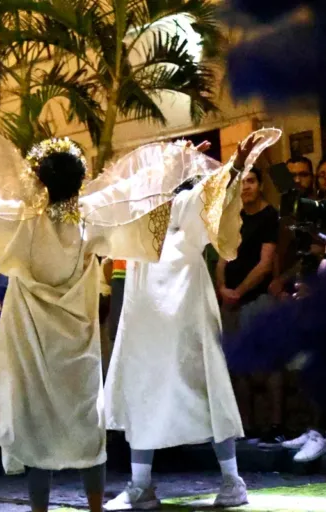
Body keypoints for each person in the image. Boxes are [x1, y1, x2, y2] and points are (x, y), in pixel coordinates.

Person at [0, 123, 223, 512]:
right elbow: (134, 193)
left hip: (34, 345)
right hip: (78, 348)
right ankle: (95, 506)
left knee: (36, 430)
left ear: (39, 183)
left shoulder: (21, 222)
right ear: (79, 183)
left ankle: (40, 509)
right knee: (85, 429)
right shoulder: (92, 217)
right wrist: (177, 160)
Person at [103, 132, 276, 511]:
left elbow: (211, 193)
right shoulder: (137, 217)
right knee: (144, 392)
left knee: (207, 389)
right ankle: (141, 486)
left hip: (186, 317)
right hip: (144, 322)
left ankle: (232, 481)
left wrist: (233, 164)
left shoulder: (184, 208)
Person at [217, 167, 282, 446]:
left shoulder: (270, 217)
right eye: (241, 182)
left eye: (251, 181)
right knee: (238, 366)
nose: (246, 187)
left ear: (260, 184)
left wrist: (239, 291)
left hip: (257, 298)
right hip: (231, 301)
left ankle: (275, 425)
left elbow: (266, 263)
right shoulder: (234, 217)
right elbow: (221, 258)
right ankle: (247, 425)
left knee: (268, 363)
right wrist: (222, 288)